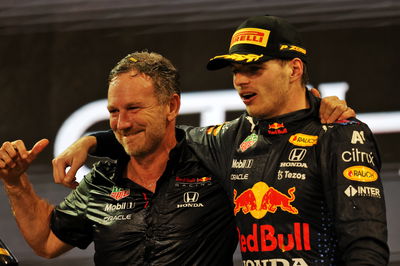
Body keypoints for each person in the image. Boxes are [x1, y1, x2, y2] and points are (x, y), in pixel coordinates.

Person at [53, 16, 389, 265]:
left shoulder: (340, 132)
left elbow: (366, 246)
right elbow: (162, 136)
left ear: (294, 69)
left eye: (254, 68)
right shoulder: (228, 139)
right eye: (234, 71)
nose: (241, 80)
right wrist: (92, 142)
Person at [0, 52, 238, 265]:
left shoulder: (212, 163)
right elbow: (47, 241)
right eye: (114, 111)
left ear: (171, 106)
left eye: (134, 108)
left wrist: (93, 140)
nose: (122, 123)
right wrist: (15, 183)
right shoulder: (101, 181)